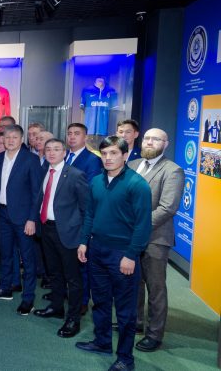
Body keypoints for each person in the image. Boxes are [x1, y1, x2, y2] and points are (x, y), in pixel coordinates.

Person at [76, 136, 152, 371]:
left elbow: (143, 225)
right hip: (96, 250)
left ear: (125, 155)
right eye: (104, 153)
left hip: (123, 254)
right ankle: (102, 342)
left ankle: (125, 359)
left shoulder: (137, 184)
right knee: (100, 301)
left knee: (125, 311)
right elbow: (90, 214)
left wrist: (131, 255)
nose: (108, 158)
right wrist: (83, 242)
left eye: (114, 153)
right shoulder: (96, 181)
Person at [128, 128, 184, 353]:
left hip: (155, 238)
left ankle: (154, 334)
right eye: (147, 138)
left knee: (156, 288)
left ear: (165, 144)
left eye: (156, 139)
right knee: (134, 283)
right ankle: (135, 323)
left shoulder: (173, 170)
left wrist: (137, 226)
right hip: (129, 236)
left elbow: (167, 208)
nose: (150, 142)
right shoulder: (133, 165)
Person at [31, 138, 89, 339]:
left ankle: (73, 319)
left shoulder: (76, 175)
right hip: (46, 229)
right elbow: (39, 199)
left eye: (56, 149)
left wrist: (84, 239)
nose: (51, 152)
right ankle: (56, 307)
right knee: (54, 272)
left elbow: (86, 209)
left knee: (73, 278)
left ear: (64, 153)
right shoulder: (45, 172)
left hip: (68, 233)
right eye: (48, 149)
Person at [0, 125, 43, 316]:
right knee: (5, 254)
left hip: (24, 217)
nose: (10, 140)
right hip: (2, 214)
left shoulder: (31, 159)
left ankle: (28, 299)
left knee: (27, 259)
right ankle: (5, 288)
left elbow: (37, 193)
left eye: (14, 137)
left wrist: (32, 219)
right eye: (7, 137)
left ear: (21, 139)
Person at [66, 122, 103, 314]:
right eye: (70, 133)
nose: (72, 137)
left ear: (85, 137)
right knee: (67, 260)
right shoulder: (64, 156)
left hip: (80, 218)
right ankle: (70, 294)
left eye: (77, 133)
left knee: (82, 262)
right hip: (63, 218)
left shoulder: (92, 160)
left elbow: (88, 192)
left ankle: (82, 300)